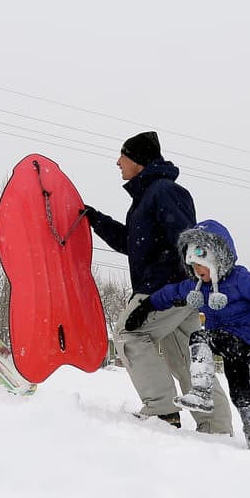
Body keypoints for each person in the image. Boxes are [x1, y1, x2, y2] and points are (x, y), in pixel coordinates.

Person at [82, 132, 233, 435]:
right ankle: (216, 428)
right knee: (187, 356)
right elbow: (134, 243)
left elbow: (183, 241)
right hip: (177, 290)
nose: (118, 162)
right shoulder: (149, 195)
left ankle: (162, 411)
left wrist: (165, 295)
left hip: (165, 289)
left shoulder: (164, 191)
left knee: (130, 334)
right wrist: (96, 220)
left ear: (137, 160)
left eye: (122, 156)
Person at [131, 220, 250, 451]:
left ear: (218, 259)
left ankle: (202, 392)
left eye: (203, 268)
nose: (199, 274)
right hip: (226, 339)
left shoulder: (241, 279)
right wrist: (145, 307)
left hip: (246, 337)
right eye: (194, 269)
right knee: (239, 393)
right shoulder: (198, 287)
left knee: (198, 338)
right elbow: (171, 293)